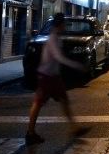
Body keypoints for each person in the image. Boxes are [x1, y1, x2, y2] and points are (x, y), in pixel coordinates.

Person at [26, 13, 87, 145]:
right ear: (59, 25)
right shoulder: (53, 39)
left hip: (54, 77)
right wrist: (75, 65)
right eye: (64, 24)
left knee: (64, 101)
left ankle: (74, 128)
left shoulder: (57, 38)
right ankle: (30, 133)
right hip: (46, 77)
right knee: (38, 104)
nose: (65, 26)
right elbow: (58, 57)